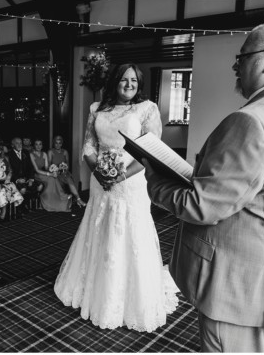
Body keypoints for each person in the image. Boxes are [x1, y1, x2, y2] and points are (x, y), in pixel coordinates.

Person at [144, 22, 264, 352]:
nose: (235, 66)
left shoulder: (253, 120)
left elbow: (202, 206)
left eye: (243, 57)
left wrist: (154, 180)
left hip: (244, 290)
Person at [54, 63, 178, 332]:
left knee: (128, 231)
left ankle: (126, 297)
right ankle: (94, 288)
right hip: (101, 180)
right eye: (123, 80)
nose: (129, 84)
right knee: (99, 228)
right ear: (114, 82)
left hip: (130, 182)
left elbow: (151, 152)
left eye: (134, 80)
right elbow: (89, 145)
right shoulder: (96, 109)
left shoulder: (147, 109)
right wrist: (98, 172)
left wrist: (121, 175)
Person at [29, 139, 69, 212]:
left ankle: (57, 200)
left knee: (54, 178)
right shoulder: (31, 154)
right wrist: (50, 174)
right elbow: (37, 170)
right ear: (34, 146)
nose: (38, 146)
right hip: (36, 175)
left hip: (44, 173)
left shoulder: (44, 154)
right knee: (51, 179)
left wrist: (54, 170)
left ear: (42, 145)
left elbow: (47, 167)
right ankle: (46, 201)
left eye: (40, 144)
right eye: (36, 144)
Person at [48, 135, 85, 207]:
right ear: (53, 143)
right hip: (55, 173)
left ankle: (78, 199)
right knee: (59, 180)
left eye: (59, 143)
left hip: (64, 172)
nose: (58, 145)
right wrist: (54, 170)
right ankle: (64, 201)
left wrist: (64, 169)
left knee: (68, 179)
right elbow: (49, 165)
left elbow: (67, 164)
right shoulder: (50, 152)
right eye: (56, 143)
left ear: (61, 144)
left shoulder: (65, 152)